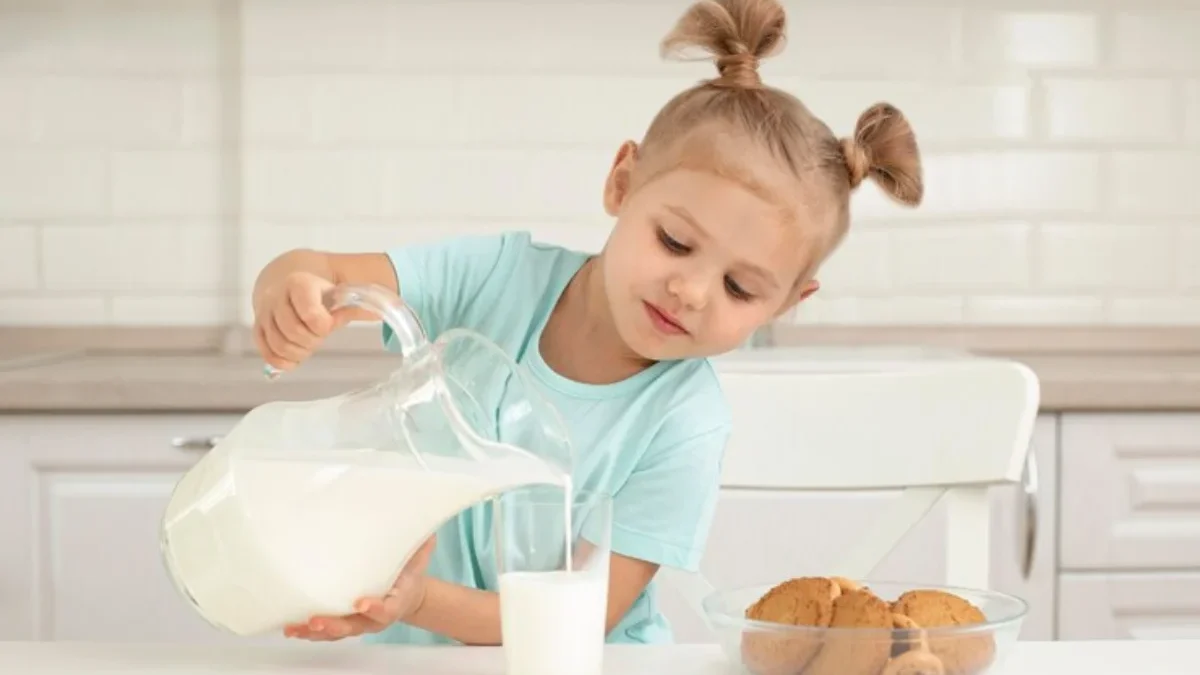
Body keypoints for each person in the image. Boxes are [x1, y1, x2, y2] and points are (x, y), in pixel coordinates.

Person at [250, 0, 923, 648]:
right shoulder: (496, 278)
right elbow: (323, 269)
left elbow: (583, 609)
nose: (689, 290)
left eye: (740, 287)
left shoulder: (682, 422)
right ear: (623, 183)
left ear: (785, 303)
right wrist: (293, 291)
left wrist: (419, 601)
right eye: (675, 242)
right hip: (410, 654)